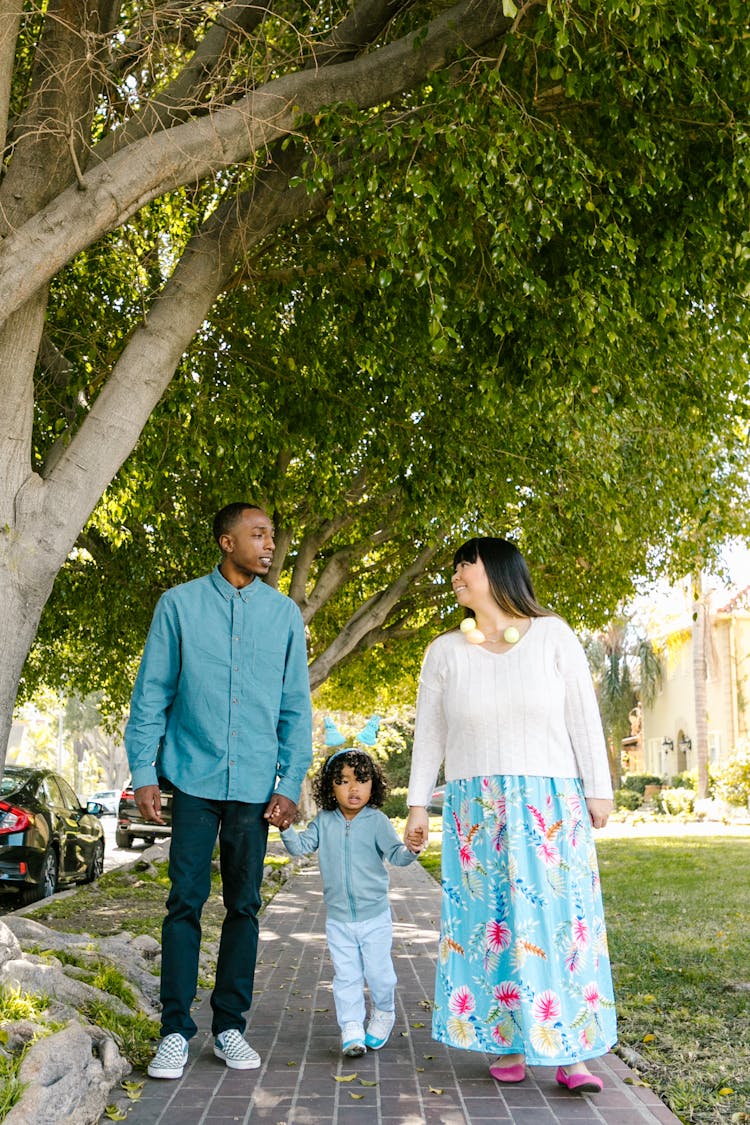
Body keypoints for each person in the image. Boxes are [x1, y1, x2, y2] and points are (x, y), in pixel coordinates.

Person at [404, 537, 616, 1095]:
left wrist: (600, 788)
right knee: (489, 924)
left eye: (464, 564)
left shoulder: (553, 634)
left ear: (496, 569)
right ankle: (507, 1039)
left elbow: (583, 715)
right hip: (475, 808)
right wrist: (417, 802)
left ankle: (572, 1052)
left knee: (559, 924)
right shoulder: (444, 650)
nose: (455, 574)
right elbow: (431, 732)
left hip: (549, 805)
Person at [124, 503, 312, 1080]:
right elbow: (151, 693)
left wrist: (288, 781)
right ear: (226, 541)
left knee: (244, 905)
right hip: (194, 777)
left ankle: (229, 1026)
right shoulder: (178, 605)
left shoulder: (283, 615)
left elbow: (294, 707)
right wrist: (145, 772)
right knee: (184, 902)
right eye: (258, 535)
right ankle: (174, 1032)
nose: (270, 545)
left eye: (272, 537)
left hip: (255, 786)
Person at [280, 747, 420, 1057]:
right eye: (343, 781)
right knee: (346, 976)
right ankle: (352, 1028)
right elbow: (301, 846)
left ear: (374, 785)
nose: (353, 788)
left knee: (379, 973)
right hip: (339, 920)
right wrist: (286, 828)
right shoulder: (325, 821)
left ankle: (383, 1013)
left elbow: (397, 856)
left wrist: (412, 849)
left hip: (375, 918)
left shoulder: (377, 821)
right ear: (330, 786)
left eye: (361, 780)